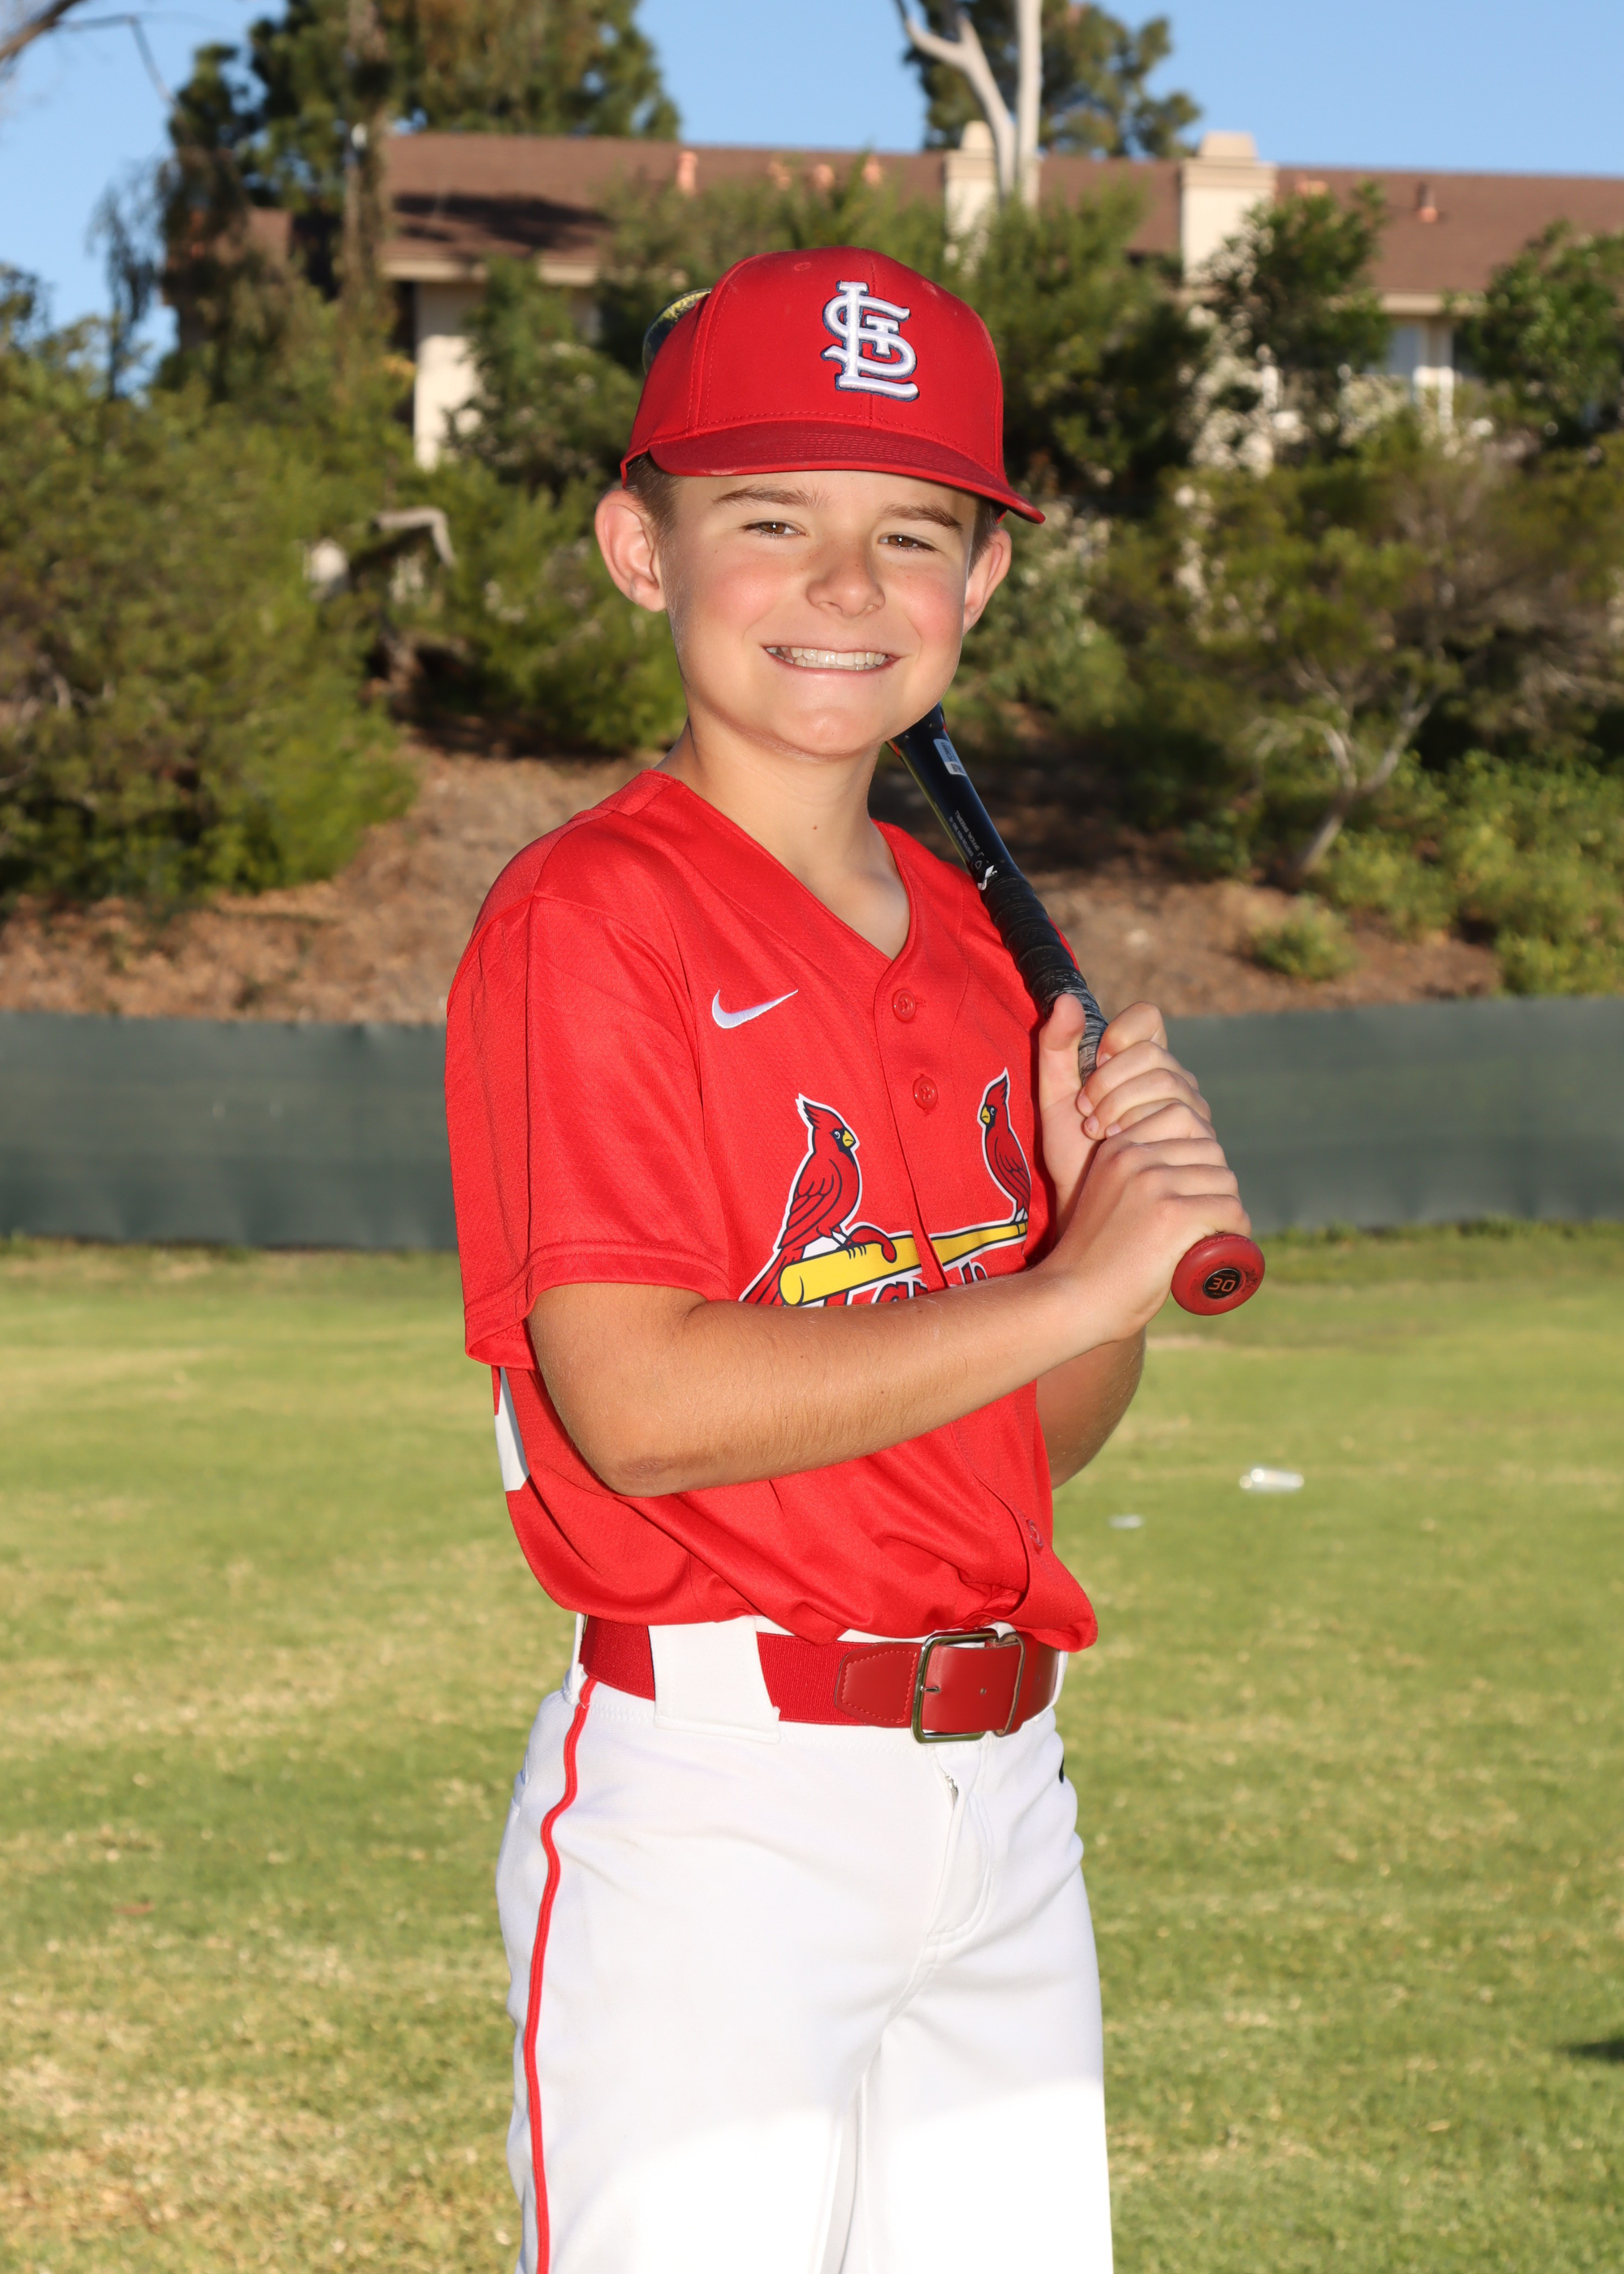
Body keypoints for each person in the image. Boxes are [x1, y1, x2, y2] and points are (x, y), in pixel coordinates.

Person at [443, 246, 1249, 2274]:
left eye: (909, 532)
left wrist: (1092, 1225)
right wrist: (1071, 1281)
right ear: (641, 548)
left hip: (1001, 1795)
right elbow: (638, 1402)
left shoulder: (982, 953)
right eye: (768, 517)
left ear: (980, 581)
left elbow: (1031, 1439)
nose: (842, 582)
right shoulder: (588, 916)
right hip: (722, 1803)